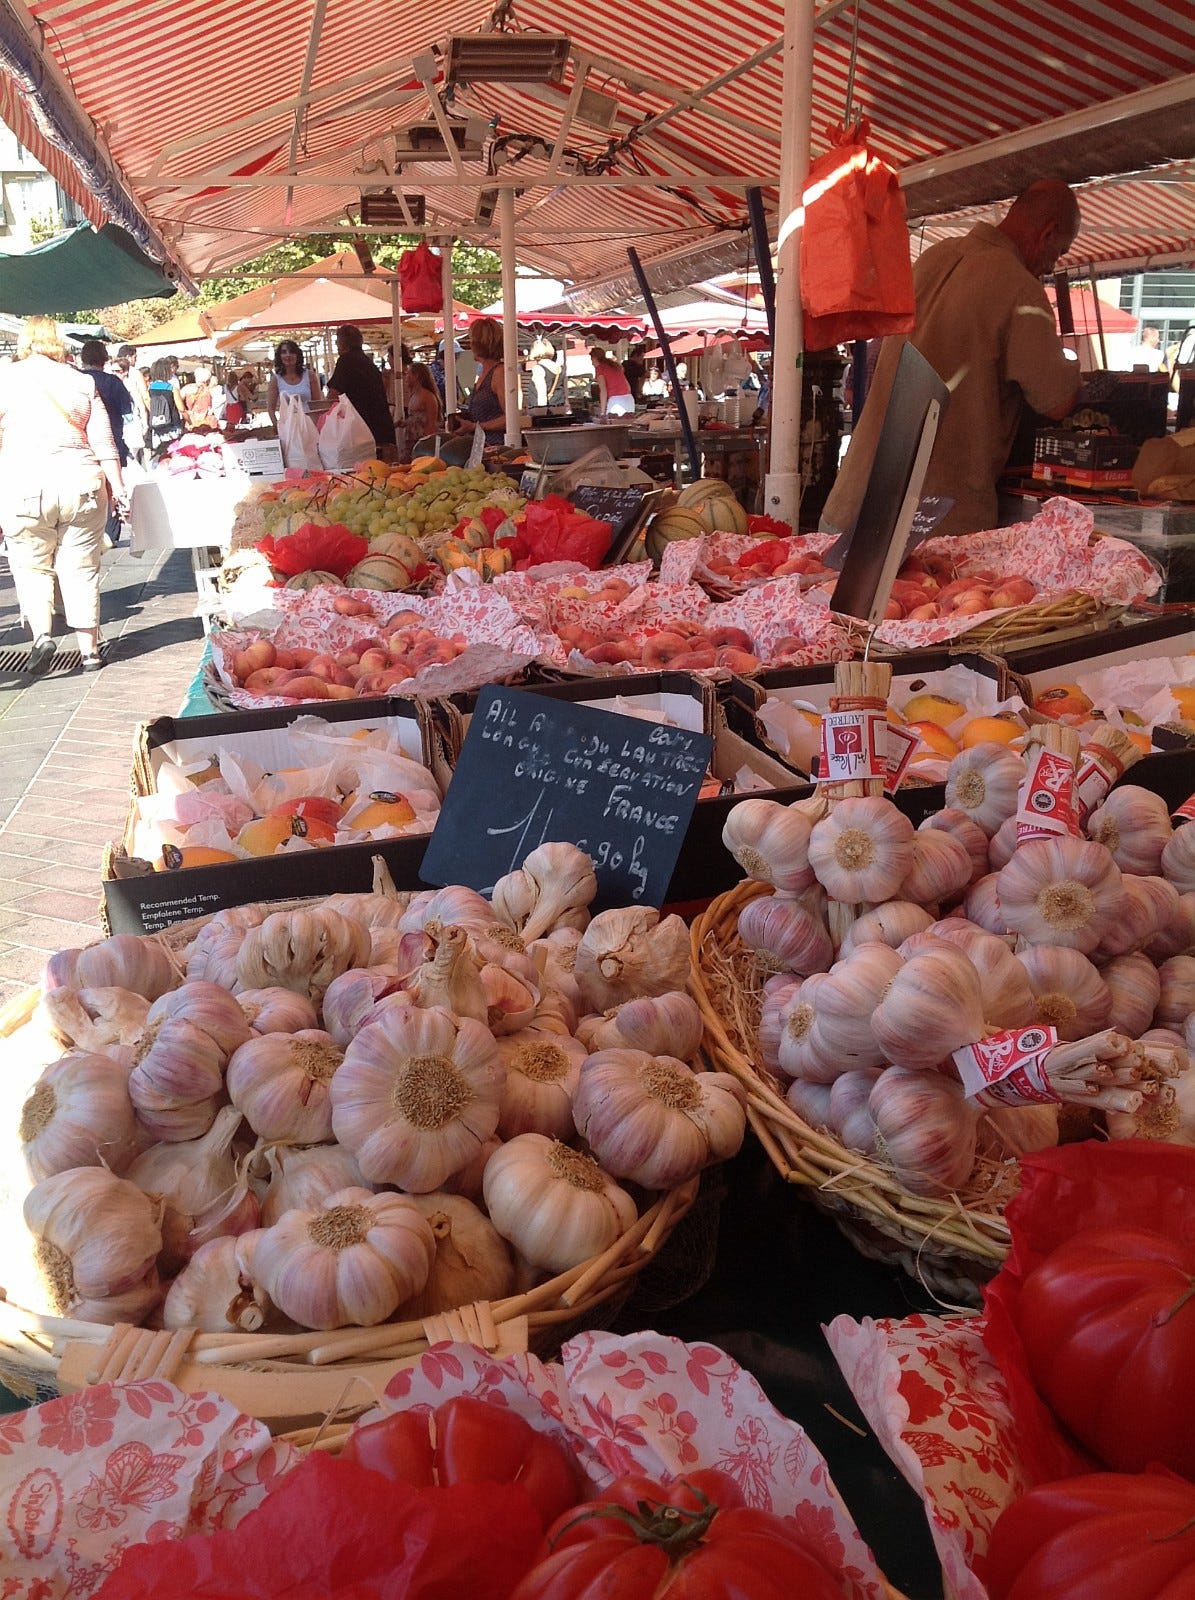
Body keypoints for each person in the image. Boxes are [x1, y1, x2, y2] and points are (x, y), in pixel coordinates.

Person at [822, 180, 1083, 540]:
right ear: (1048, 233)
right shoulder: (1020, 289)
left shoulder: (933, 256)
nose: (1051, 265)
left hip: (852, 501)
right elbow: (1057, 401)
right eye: (1058, 252)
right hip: (929, 526)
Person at [0, 317, 128, 673]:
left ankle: (42, 635)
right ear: (59, 342)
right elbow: (104, 442)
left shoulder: (4, 379)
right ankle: (90, 652)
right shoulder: (81, 381)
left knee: (30, 565)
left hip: (22, 485)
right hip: (81, 483)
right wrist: (118, 490)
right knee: (81, 567)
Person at [327, 323, 396, 454]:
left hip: (362, 430)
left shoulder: (345, 361)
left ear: (342, 343)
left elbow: (333, 395)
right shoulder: (368, 362)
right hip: (382, 427)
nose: (336, 345)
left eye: (337, 341)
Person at [446, 316, 507, 439]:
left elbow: (511, 418)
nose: (470, 345)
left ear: (478, 344)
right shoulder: (484, 372)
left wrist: (475, 426)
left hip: (496, 447)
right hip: (481, 446)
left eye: (471, 341)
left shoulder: (499, 373)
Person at [267, 340, 320, 427]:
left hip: (310, 426)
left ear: (297, 355)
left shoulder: (310, 375)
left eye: (292, 352)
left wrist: (316, 424)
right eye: (284, 352)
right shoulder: (275, 380)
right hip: (288, 428)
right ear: (279, 356)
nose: (288, 355)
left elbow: (317, 404)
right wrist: (276, 425)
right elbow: (271, 408)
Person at [401, 358, 443, 457]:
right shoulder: (413, 395)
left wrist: (425, 444)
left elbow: (431, 423)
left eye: (408, 374)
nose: (406, 377)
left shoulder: (428, 396)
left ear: (416, 376)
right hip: (411, 439)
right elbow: (416, 418)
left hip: (422, 441)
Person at [116, 344, 150, 462]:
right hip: (133, 418)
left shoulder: (108, 371)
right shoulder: (134, 373)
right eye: (135, 357)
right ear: (128, 357)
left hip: (115, 420)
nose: (136, 360)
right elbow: (144, 396)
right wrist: (147, 418)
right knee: (133, 455)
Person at [147, 355, 184, 449]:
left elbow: (148, 403)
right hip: (172, 424)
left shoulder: (150, 388)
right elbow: (181, 408)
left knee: (160, 453)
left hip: (156, 425)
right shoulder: (171, 388)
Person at [589, 347, 635, 416]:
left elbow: (603, 391)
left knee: (613, 424)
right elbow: (628, 386)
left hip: (616, 400)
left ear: (595, 358)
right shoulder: (615, 366)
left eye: (592, 360)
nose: (592, 363)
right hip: (629, 398)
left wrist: (602, 412)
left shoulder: (600, 368)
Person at [528, 335, 563, 409]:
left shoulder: (538, 368)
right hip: (559, 408)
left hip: (543, 411)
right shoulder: (560, 368)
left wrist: (541, 413)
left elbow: (541, 394)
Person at [181, 364, 217, 428]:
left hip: (192, 419)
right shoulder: (210, 389)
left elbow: (178, 402)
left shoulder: (186, 388)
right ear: (207, 379)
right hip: (207, 420)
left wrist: (186, 412)